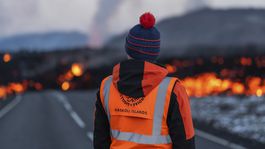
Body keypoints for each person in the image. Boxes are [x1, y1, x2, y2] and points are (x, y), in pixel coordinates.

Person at [94, 12, 195, 149]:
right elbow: (185, 143)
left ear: (127, 49)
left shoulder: (106, 86)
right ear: (155, 52)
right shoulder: (173, 90)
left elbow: (100, 141)